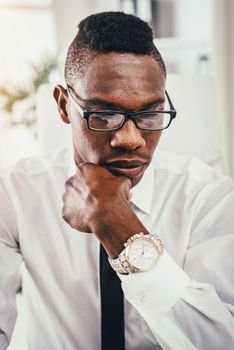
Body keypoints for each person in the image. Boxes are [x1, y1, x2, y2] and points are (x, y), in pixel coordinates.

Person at [0, 11, 233, 350]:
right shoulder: (15, 192)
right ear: (64, 106)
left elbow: (221, 341)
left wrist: (123, 231)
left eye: (150, 114)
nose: (130, 139)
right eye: (104, 114)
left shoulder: (210, 198)